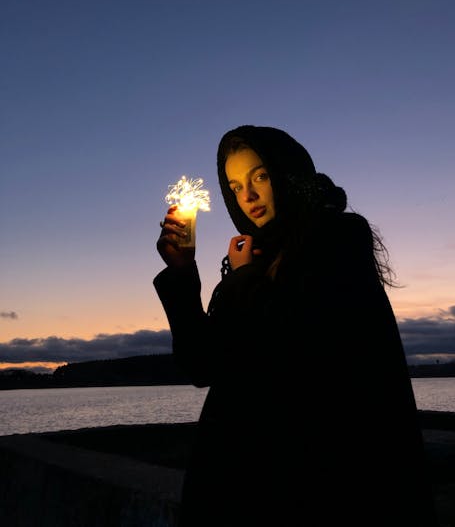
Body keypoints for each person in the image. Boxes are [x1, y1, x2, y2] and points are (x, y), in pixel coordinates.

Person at [153, 124, 438, 527]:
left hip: (312, 485)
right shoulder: (254, 256)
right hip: (247, 483)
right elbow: (203, 365)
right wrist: (183, 273)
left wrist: (243, 278)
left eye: (260, 177)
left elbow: (294, 351)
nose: (247, 196)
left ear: (287, 174)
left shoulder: (337, 239)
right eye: (235, 187)